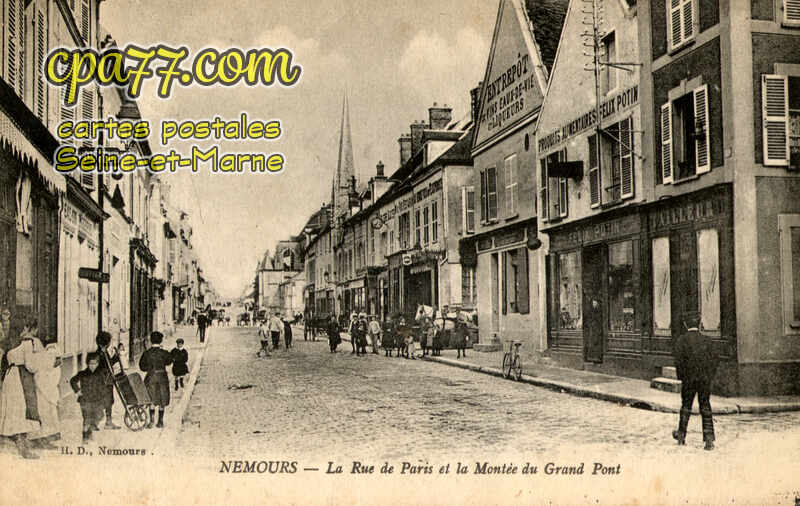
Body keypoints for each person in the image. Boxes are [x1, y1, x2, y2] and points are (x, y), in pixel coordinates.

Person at [672, 312, 718, 451]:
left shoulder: (681, 341)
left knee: (686, 406)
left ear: (686, 324)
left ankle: (681, 436)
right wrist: (709, 376)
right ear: (699, 324)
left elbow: (678, 362)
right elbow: (715, 360)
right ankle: (709, 439)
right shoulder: (707, 341)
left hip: (688, 380)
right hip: (704, 380)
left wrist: (682, 377)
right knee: (705, 406)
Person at [139, 331, 173, 428]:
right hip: (162, 377)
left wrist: (149, 369)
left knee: (152, 398)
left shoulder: (147, 353)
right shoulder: (164, 353)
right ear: (161, 341)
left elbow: (142, 367)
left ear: (151, 341)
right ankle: (160, 422)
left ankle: (151, 421)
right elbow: (169, 361)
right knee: (162, 398)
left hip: (151, 377)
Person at [70, 352, 105, 444]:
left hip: (97, 400)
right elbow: (73, 381)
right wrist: (77, 391)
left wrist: (103, 397)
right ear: (87, 363)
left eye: (95, 364)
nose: (93, 366)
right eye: (91, 364)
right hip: (85, 400)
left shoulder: (100, 374)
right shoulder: (82, 373)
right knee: (87, 418)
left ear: (98, 364)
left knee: (99, 416)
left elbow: (103, 386)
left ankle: (90, 431)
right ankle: (85, 438)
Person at [95, 331, 122, 430]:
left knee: (108, 401)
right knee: (106, 401)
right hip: (105, 381)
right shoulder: (101, 354)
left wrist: (115, 357)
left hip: (106, 380)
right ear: (107, 342)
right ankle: (106, 422)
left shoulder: (103, 352)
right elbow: (104, 367)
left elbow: (109, 364)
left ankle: (106, 421)